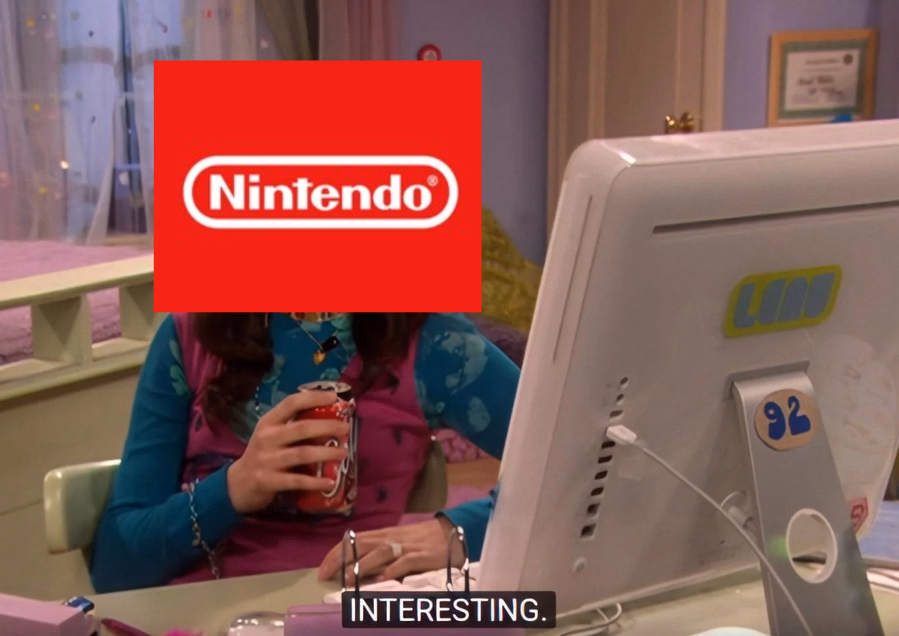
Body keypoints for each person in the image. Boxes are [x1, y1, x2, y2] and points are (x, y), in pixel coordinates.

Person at [90, 312, 519, 593]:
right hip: (202, 611)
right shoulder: (191, 334)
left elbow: (562, 476)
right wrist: (231, 490)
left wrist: (455, 533)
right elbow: (115, 569)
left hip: (344, 608)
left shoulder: (431, 341)